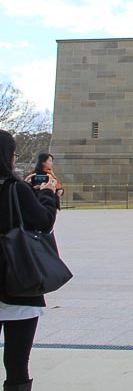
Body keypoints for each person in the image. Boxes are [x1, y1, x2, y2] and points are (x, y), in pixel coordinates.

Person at [0, 130, 60, 390]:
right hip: (19, 283)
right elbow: (44, 222)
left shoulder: (19, 189)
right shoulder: (16, 189)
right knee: (16, 362)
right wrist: (47, 194)